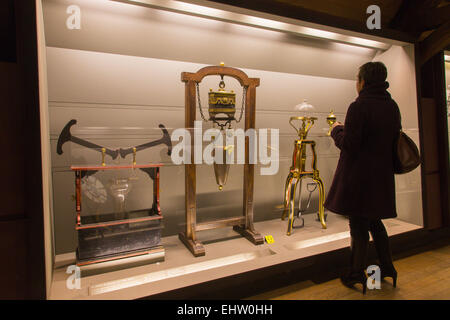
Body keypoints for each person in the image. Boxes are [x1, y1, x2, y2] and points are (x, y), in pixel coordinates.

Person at [325, 61, 400, 294]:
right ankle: (387, 268)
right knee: (375, 222)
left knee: (358, 225)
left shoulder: (358, 106)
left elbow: (350, 144)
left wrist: (336, 129)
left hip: (359, 178)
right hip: (381, 176)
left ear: (363, 82)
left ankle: (356, 274)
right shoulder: (392, 106)